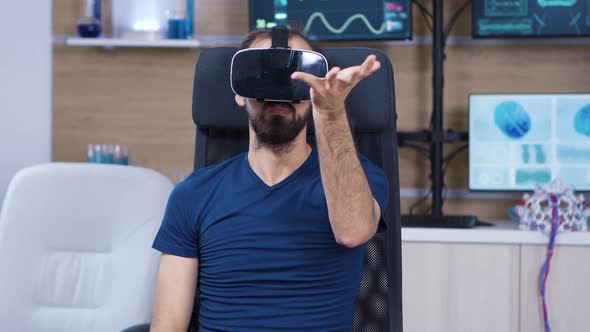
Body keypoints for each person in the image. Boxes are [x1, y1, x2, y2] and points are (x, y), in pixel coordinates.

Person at [150, 29, 389, 332]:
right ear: (239, 92)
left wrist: (329, 112)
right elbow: (167, 326)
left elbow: (353, 232)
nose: (280, 91)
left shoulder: (360, 179)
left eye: (296, 78)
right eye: (263, 74)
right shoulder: (194, 195)